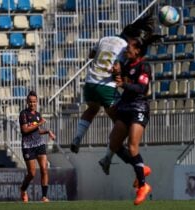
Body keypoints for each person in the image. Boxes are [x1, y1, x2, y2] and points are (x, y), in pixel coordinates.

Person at [100, 14, 163, 205]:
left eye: (130, 48)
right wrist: (116, 75)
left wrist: (123, 84)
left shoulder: (144, 67)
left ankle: (143, 185)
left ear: (138, 52)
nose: (127, 49)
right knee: (114, 144)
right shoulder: (127, 64)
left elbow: (141, 89)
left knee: (133, 146)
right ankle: (140, 167)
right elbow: (123, 77)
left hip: (138, 108)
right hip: (125, 107)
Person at [70, 29, 128, 154]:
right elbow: (118, 67)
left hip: (90, 83)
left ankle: (77, 137)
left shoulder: (104, 39)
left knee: (91, 110)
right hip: (106, 85)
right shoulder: (124, 45)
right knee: (120, 120)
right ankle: (111, 151)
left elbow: (91, 54)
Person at [19, 90, 56, 203]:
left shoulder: (38, 115)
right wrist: (39, 124)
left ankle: (44, 197)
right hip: (28, 145)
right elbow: (25, 130)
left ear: (37, 102)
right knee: (32, 173)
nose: (32, 104)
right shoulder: (23, 114)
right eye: (30, 102)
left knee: (44, 169)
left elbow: (36, 131)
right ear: (27, 102)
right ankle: (23, 189)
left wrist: (48, 131)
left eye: (34, 102)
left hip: (39, 144)